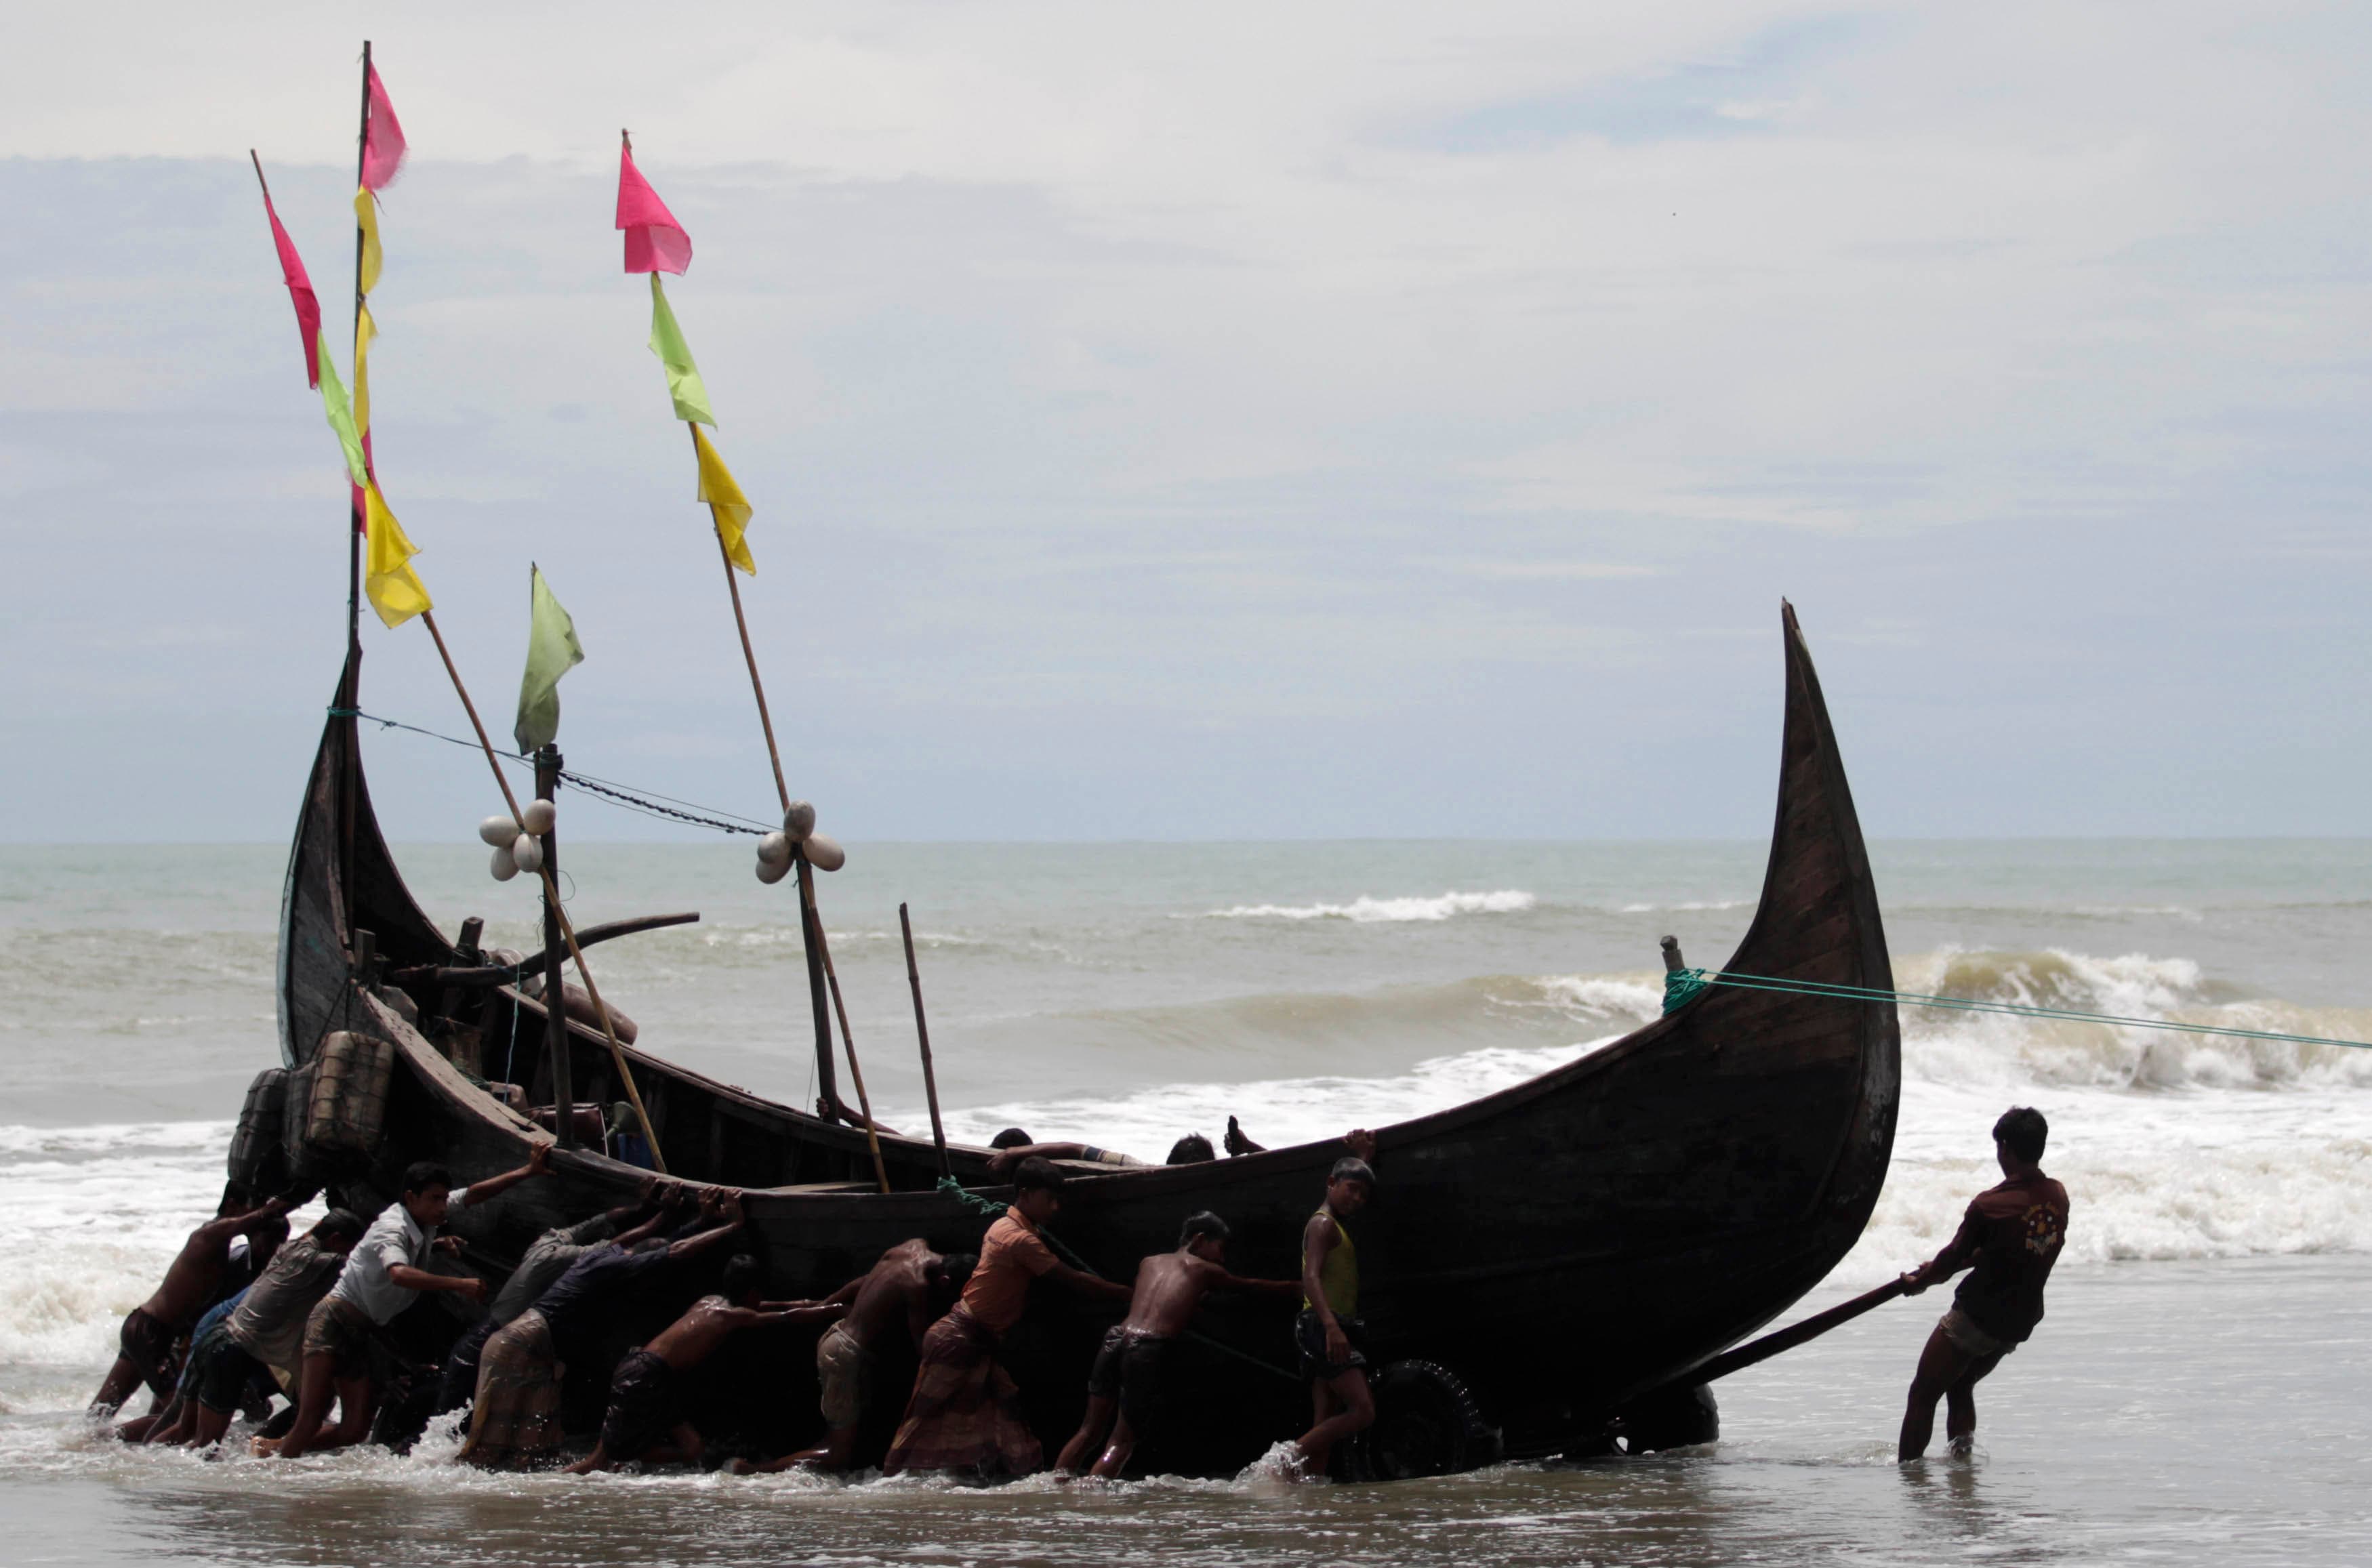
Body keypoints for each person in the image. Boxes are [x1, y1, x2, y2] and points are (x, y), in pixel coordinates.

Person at [268, 1148, 549, 1459]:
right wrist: (461, 1284)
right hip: (333, 1323)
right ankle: (276, 1483)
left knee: (354, 1430)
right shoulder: (393, 1227)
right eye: (435, 1199)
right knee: (309, 1419)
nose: (443, 1208)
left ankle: (270, 1452)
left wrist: (528, 1172)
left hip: (364, 1333)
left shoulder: (425, 1216)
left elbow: (472, 1195)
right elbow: (399, 1273)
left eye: (444, 1199)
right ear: (411, 1197)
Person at [461, 1188, 747, 1470]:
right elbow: (675, 1251)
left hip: (525, 1346)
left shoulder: (602, 1257)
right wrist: (731, 1225)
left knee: (533, 1453)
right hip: (522, 1346)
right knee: (490, 1453)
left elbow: (653, 1244)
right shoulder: (619, 1268)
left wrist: (695, 1220)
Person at [882, 1157, 1131, 1477]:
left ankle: (1000, 1486)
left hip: (973, 1341)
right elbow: (1073, 1280)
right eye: (1048, 1199)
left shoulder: (1003, 1225)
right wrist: (1127, 1293)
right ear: (1025, 1194)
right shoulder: (1021, 1239)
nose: (1055, 1208)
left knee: (1003, 1413)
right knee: (921, 1426)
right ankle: (891, 1486)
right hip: (958, 1340)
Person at [1054, 1211, 1299, 1479]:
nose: (1222, 1258)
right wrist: (1296, 1287)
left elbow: (1157, 1298)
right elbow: (1250, 1286)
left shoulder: (1149, 1262)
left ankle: (1054, 1487)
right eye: (1220, 1248)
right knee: (1121, 1441)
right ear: (1200, 1239)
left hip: (1115, 1338)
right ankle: (1091, 1502)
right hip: (1146, 1348)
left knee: (1089, 1430)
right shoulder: (1205, 1269)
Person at [1897, 1107, 2070, 1461]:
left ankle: (1908, 1478)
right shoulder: (2057, 1197)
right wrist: (1947, 1266)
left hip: (1978, 1317)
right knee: (1961, 1384)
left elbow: (1951, 1260)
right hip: (2019, 1320)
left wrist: (1921, 1282)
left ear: (2005, 1148)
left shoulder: (1989, 1205)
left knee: (1923, 1393)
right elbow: (2004, 1246)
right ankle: (1962, 1470)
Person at [565, 1254, 843, 1473]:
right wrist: (832, 1310)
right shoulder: (729, 1316)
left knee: (691, 1448)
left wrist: (816, 1301)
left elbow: (773, 1306)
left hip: (646, 1370)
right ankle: (616, 1459)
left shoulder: (709, 1302)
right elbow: (787, 1317)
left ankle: (619, 1456)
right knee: (604, 1461)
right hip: (646, 1374)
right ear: (751, 1293)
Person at [726, 1240, 978, 1474]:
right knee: (837, 1456)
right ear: (944, 1281)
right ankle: (751, 1471)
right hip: (846, 1357)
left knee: (837, 1440)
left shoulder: (912, 1246)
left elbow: (865, 1280)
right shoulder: (918, 1287)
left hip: (838, 1338)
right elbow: (923, 1349)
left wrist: (830, 1301)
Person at [434, 1179, 676, 1415]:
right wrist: (665, 1215)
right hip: (492, 1343)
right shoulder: (561, 1260)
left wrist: (643, 1209)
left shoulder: (547, 1241)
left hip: (491, 1337)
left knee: (455, 1416)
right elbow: (616, 1245)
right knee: (456, 1417)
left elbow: (597, 1222)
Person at [170, 1210, 367, 1449]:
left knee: (184, 1430)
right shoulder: (321, 1263)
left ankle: (147, 1465)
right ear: (335, 1240)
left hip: (218, 1336)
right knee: (206, 1445)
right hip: (230, 1351)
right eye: (349, 1247)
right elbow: (367, 1269)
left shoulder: (293, 1248)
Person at [90, 1192, 293, 1416]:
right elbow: (205, 1317)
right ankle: (122, 1443)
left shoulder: (232, 1249)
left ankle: (89, 1446)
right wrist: (288, 1201)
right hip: (154, 1333)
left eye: (280, 1243)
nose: (273, 1249)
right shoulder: (212, 1237)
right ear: (234, 1206)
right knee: (175, 1414)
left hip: (152, 1330)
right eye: (268, 1242)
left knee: (105, 1410)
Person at [1291, 1130, 1378, 1478]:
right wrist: (1331, 1327)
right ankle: (1281, 1461)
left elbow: (1353, 1179)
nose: (1356, 1198)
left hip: (1328, 1324)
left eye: (1363, 1194)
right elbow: (1310, 1278)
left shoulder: (1335, 1224)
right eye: (1350, 1189)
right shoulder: (1323, 1225)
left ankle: (1311, 1492)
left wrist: (1363, 1160)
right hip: (1323, 1325)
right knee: (1363, 1410)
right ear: (1330, 1183)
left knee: (1324, 1420)